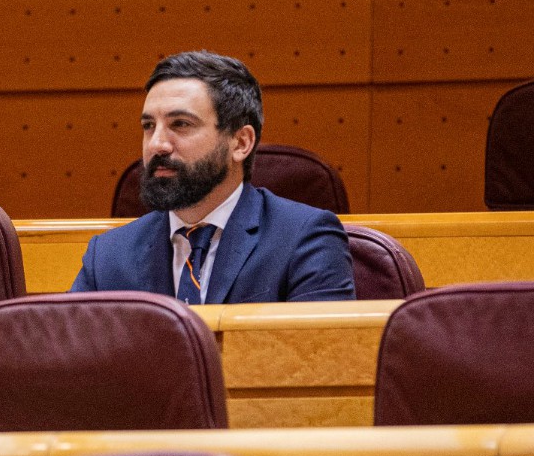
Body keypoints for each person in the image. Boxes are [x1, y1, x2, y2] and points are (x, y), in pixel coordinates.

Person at [71, 50, 354, 303]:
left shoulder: (305, 239)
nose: (156, 144)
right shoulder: (108, 255)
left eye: (180, 124)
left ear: (241, 142)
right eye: (148, 125)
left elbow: (319, 358)